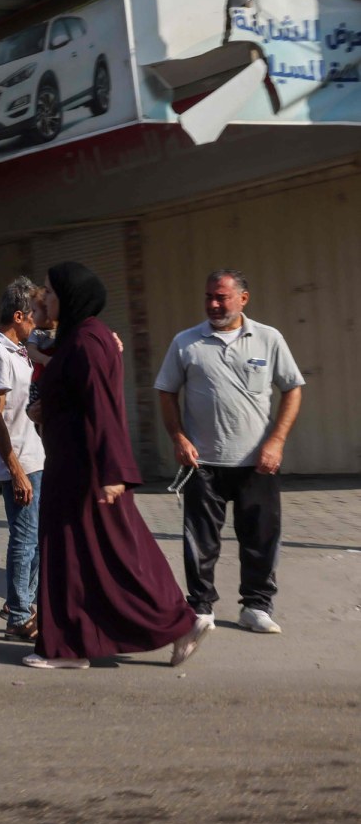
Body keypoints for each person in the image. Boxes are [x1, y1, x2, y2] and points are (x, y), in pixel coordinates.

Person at [27, 262, 210, 670]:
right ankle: (76, 645)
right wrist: (45, 409)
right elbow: (74, 396)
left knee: (109, 555)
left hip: (85, 471)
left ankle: (175, 623)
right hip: (75, 468)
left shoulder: (88, 341)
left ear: (72, 297)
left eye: (51, 293)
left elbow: (103, 408)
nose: (46, 299)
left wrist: (113, 472)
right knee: (91, 555)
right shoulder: (80, 338)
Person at [154, 269, 304, 635]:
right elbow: (166, 391)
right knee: (200, 541)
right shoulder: (186, 342)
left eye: (221, 297)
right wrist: (178, 437)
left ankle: (256, 607)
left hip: (258, 463)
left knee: (260, 538)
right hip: (202, 463)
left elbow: (293, 389)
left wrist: (277, 441)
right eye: (209, 297)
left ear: (243, 299)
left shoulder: (268, 339)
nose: (214, 304)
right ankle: (201, 607)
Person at [0, 277, 45, 641]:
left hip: (35, 456)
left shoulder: (18, 349)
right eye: (32, 314)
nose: (36, 320)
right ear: (18, 316)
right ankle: (18, 615)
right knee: (24, 538)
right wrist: (15, 470)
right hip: (18, 462)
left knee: (36, 537)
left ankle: (18, 601)